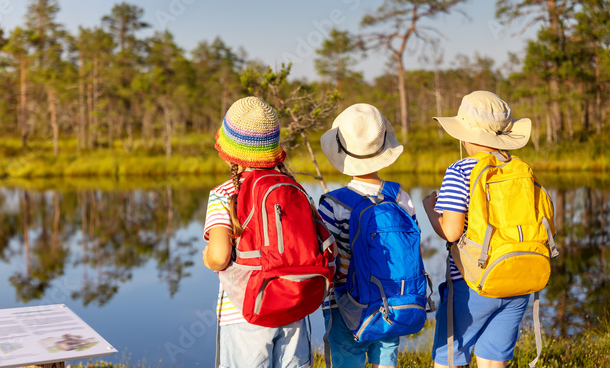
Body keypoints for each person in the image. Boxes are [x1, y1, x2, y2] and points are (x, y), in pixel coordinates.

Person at [202, 96, 320, 368]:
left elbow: (219, 257)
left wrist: (207, 256)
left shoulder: (224, 194)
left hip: (245, 314)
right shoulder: (293, 189)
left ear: (229, 148)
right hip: (295, 305)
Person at [422, 91, 534, 368]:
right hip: (519, 278)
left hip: (471, 283)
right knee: (494, 361)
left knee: (450, 359)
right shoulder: (519, 169)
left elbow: (451, 232)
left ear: (464, 135)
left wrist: (429, 210)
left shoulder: (460, 170)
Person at [316, 103, 418, 368]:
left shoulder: (333, 203)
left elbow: (325, 257)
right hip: (393, 300)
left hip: (345, 303)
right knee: (386, 360)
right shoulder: (400, 197)